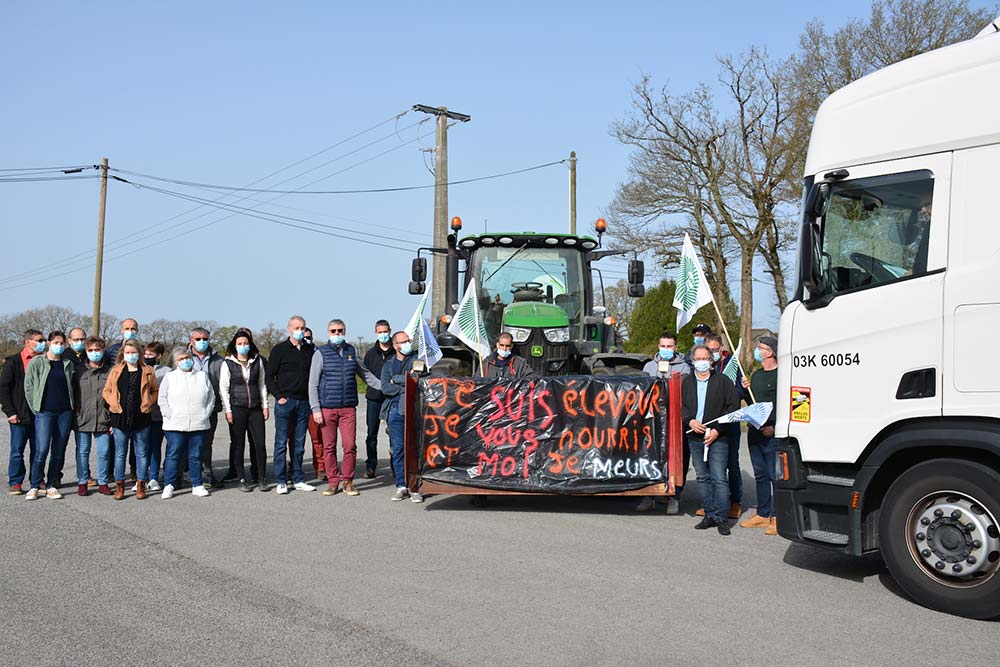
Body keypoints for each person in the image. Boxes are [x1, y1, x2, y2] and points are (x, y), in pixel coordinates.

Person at [309, 319, 381, 497]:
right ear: (328, 333)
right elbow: (313, 383)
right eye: (333, 331)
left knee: (349, 445)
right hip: (327, 408)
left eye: (340, 330)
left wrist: (384, 386)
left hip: (348, 408)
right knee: (329, 447)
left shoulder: (352, 351)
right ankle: (333, 482)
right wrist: (315, 408)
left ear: (345, 331)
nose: (337, 334)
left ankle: (348, 481)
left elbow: (365, 373)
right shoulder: (320, 353)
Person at [682, 344, 739, 535]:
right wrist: (689, 421)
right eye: (697, 359)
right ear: (692, 361)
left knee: (719, 478)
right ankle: (709, 514)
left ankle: (722, 518)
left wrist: (717, 430)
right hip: (695, 438)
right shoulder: (687, 382)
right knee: (702, 477)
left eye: (705, 358)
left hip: (718, 437)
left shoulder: (723, 381)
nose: (701, 362)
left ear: (711, 360)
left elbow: (733, 408)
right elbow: (682, 407)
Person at [638, 330, 690, 514]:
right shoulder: (649, 366)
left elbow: (683, 392)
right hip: (653, 420)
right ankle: (649, 495)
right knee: (651, 455)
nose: (666, 349)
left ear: (676, 348)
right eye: (663, 346)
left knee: (676, 459)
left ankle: (674, 497)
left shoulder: (684, 368)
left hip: (675, 421)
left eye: (669, 346)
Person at [23, 331, 76, 500]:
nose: (59, 346)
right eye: (56, 342)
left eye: (62, 343)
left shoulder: (68, 364)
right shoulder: (38, 362)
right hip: (45, 412)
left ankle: (51, 483)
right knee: (42, 449)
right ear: (48, 343)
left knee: (58, 450)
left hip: (64, 412)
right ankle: (35, 484)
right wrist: (35, 408)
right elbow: (29, 387)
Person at [102, 339, 158, 500]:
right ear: (122, 354)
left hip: (142, 417)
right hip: (120, 417)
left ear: (139, 354)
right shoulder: (116, 370)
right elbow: (107, 391)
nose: (130, 355)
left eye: (133, 352)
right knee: (120, 453)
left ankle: (141, 484)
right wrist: (113, 403)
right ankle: (120, 486)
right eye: (127, 352)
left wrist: (148, 403)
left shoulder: (147, 370)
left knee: (141, 453)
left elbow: (154, 390)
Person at [266, 315, 315, 495]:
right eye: (296, 327)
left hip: (303, 402)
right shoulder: (279, 349)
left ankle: (298, 478)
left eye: (302, 328)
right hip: (285, 402)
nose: (300, 331)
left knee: (299, 443)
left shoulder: (310, 350)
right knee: (281, 442)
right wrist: (278, 396)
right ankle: (281, 480)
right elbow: (269, 376)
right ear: (289, 329)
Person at [158, 347, 215, 499]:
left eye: (187, 358)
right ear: (176, 362)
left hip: (199, 423)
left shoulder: (202, 376)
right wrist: (170, 415)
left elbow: (211, 397)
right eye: (181, 359)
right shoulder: (170, 377)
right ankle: (169, 485)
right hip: (175, 425)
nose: (185, 361)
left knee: (196, 456)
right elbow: (162, 399)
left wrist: (206, 413)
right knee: (173, 455)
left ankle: (197, 484)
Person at [705, 333, 748, 520]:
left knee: (732, 463)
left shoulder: (733, 365)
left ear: (722, 347)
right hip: (709, 421)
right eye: (710, 350)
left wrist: (727, 393)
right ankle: (715, 503)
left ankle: (735, 501)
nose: (713, 353)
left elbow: (741, 391)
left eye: (716, 350)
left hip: (729, 422)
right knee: (711, 465)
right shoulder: (705, 366)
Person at [740, 336, 780, 535]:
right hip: (755, 431)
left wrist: (774, 426)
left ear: (770, 352)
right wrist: (746, 389)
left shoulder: (782, 374)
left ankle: (777, 516)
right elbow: (753, 403)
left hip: (772, 433)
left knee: (774, 475)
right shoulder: (756, 375)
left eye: (761, 348)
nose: (757, 350)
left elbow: (786, 403)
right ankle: (763, 514)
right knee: (760, 474)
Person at [220, 330, 269, 492]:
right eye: (240, 343)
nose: (243, 346)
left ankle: (261, 477)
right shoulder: (228, 363)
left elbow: (262, 385)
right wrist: (228, 410)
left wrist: (265, 405)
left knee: (259, 444)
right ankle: (241, 478)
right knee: (238, 444)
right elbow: (224, 388)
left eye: (245, 343)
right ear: (235, 345)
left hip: (255, 408)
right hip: (237, 407)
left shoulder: (257, 361)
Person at [380, 331, 423, 503]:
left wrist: (396, 380)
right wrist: (405, 383)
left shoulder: (417, 360)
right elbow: (385, 388)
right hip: (394, 410)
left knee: (413, 449)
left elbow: (418, 380)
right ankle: (401, 485)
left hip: (413, 409)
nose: (407, 344)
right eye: (403, 342)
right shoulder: (388, 365)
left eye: (408, 341)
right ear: (395, 345)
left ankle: (414, 487)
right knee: (398, 449)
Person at [1, 329, 44, 495]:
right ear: (28, 342)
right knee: (17, 451)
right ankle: (16, 482)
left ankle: (37, 480)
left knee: (38, 450)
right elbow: (3, 388)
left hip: (39, 414)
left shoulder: (42, 360)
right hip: (19, 414)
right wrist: (10, 412)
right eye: (39, 340)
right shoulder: (13, 362)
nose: (43, 343)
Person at [74, 337, 113, 496]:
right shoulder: (78, 371)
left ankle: (103, 482)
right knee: (82, 451)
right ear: (86, 351)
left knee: (104, 452)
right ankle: (82, 481)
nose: (94, 353)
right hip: (82, 418)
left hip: (103, 418)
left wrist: (113, 419)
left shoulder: (110, 371)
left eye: (97, 350)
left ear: (103, 351)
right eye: (90, 350)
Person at [188, 327, 224, 486]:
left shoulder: (218, 360)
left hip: (210, 407)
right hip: (188, 407)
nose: (202, 342)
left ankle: (207, 472)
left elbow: (223, 384)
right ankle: (187, 472)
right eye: (198, 339)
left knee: (206, 442)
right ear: (191, 341)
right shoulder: (182, 357)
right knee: (188, 442)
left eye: (205, 339)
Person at [362, 319, 395, 478]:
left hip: (392, 399)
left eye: (385, 331)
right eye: (380, 332)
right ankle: (371, 466)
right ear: (376, 333)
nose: (383, 335)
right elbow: (365, 374)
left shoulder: (396, 352)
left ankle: (396, 465)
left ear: (390, 331)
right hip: (374, 399)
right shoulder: (370, 354)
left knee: (394, 433)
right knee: (371, 434)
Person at [143, 342, 170, 491]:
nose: (147, 357)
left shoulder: (166, 371)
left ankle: (154, 476)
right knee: (142, 448)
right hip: (142, 415)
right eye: (145, 354)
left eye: (151, 355)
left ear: (158, 356)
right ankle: (141, 476)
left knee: (155, 447)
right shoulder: (140, 368)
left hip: (159, 416)